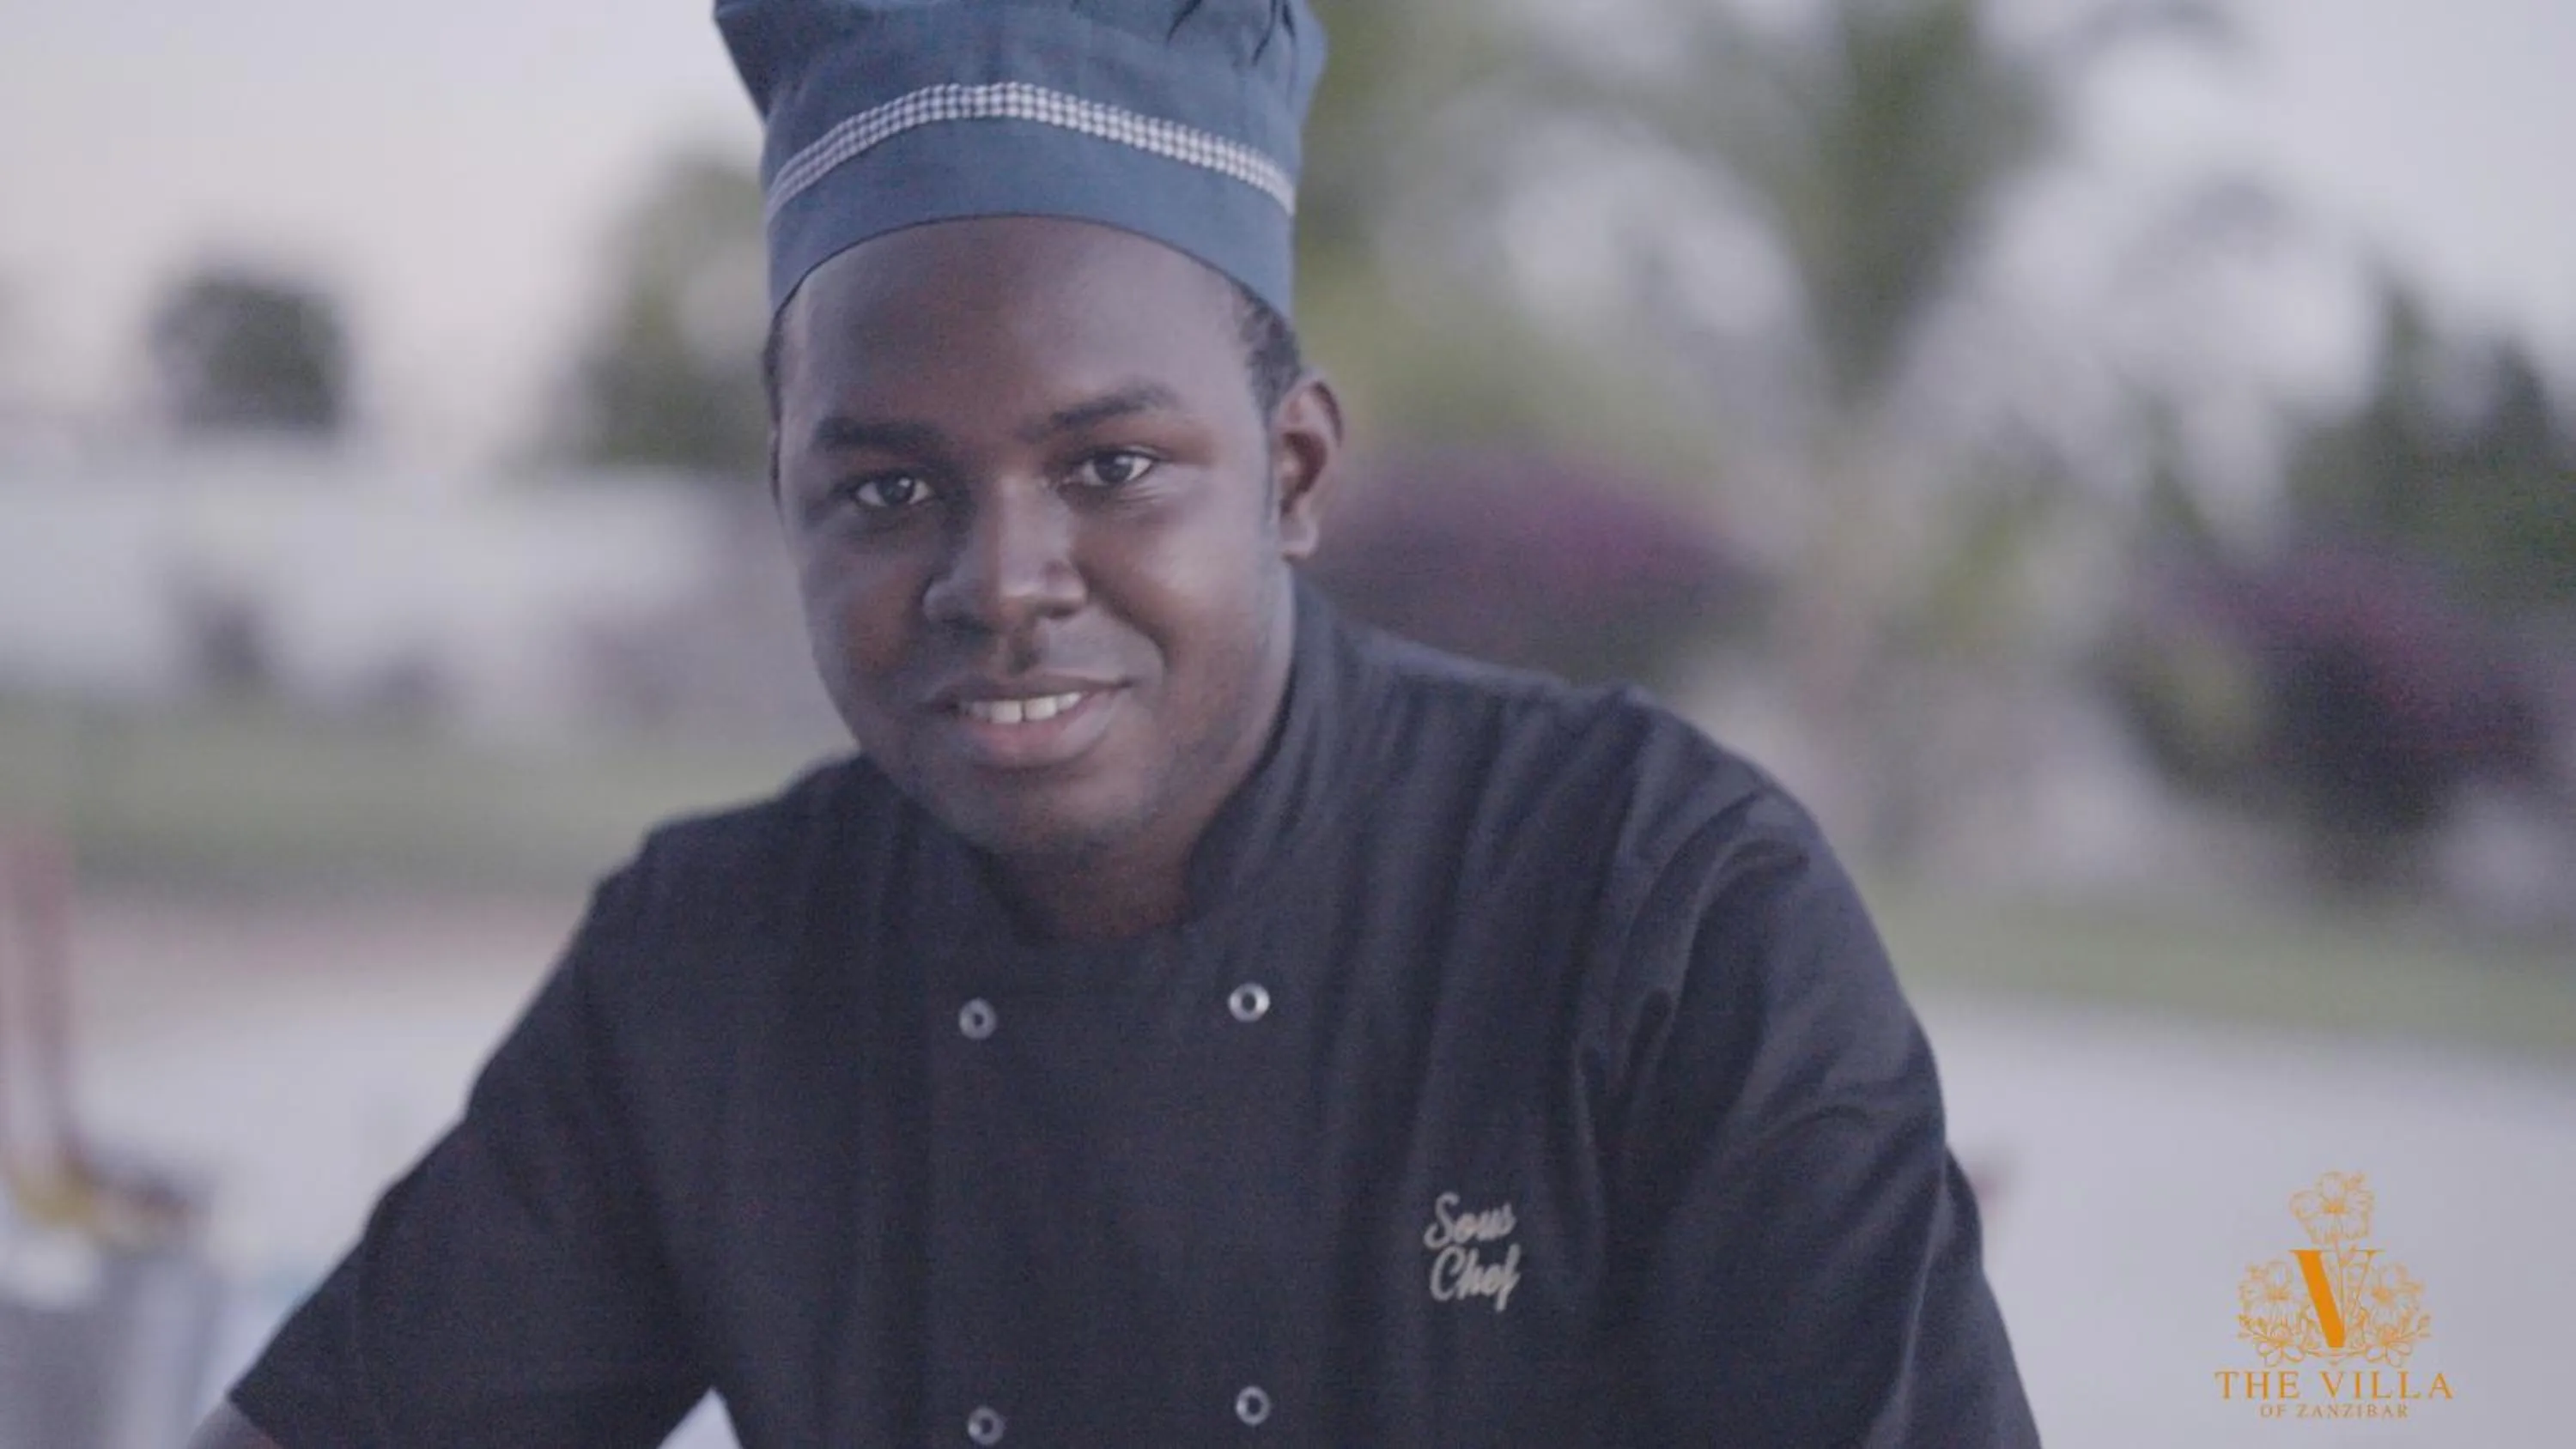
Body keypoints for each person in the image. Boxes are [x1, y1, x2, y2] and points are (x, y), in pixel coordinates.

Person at [194, 1, 2039, 1443]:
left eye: (1114, 465)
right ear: (786, 498)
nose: (1001, 579)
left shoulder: (1665, 909)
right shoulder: (710, 967)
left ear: (1293, 470)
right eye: (889, 491)